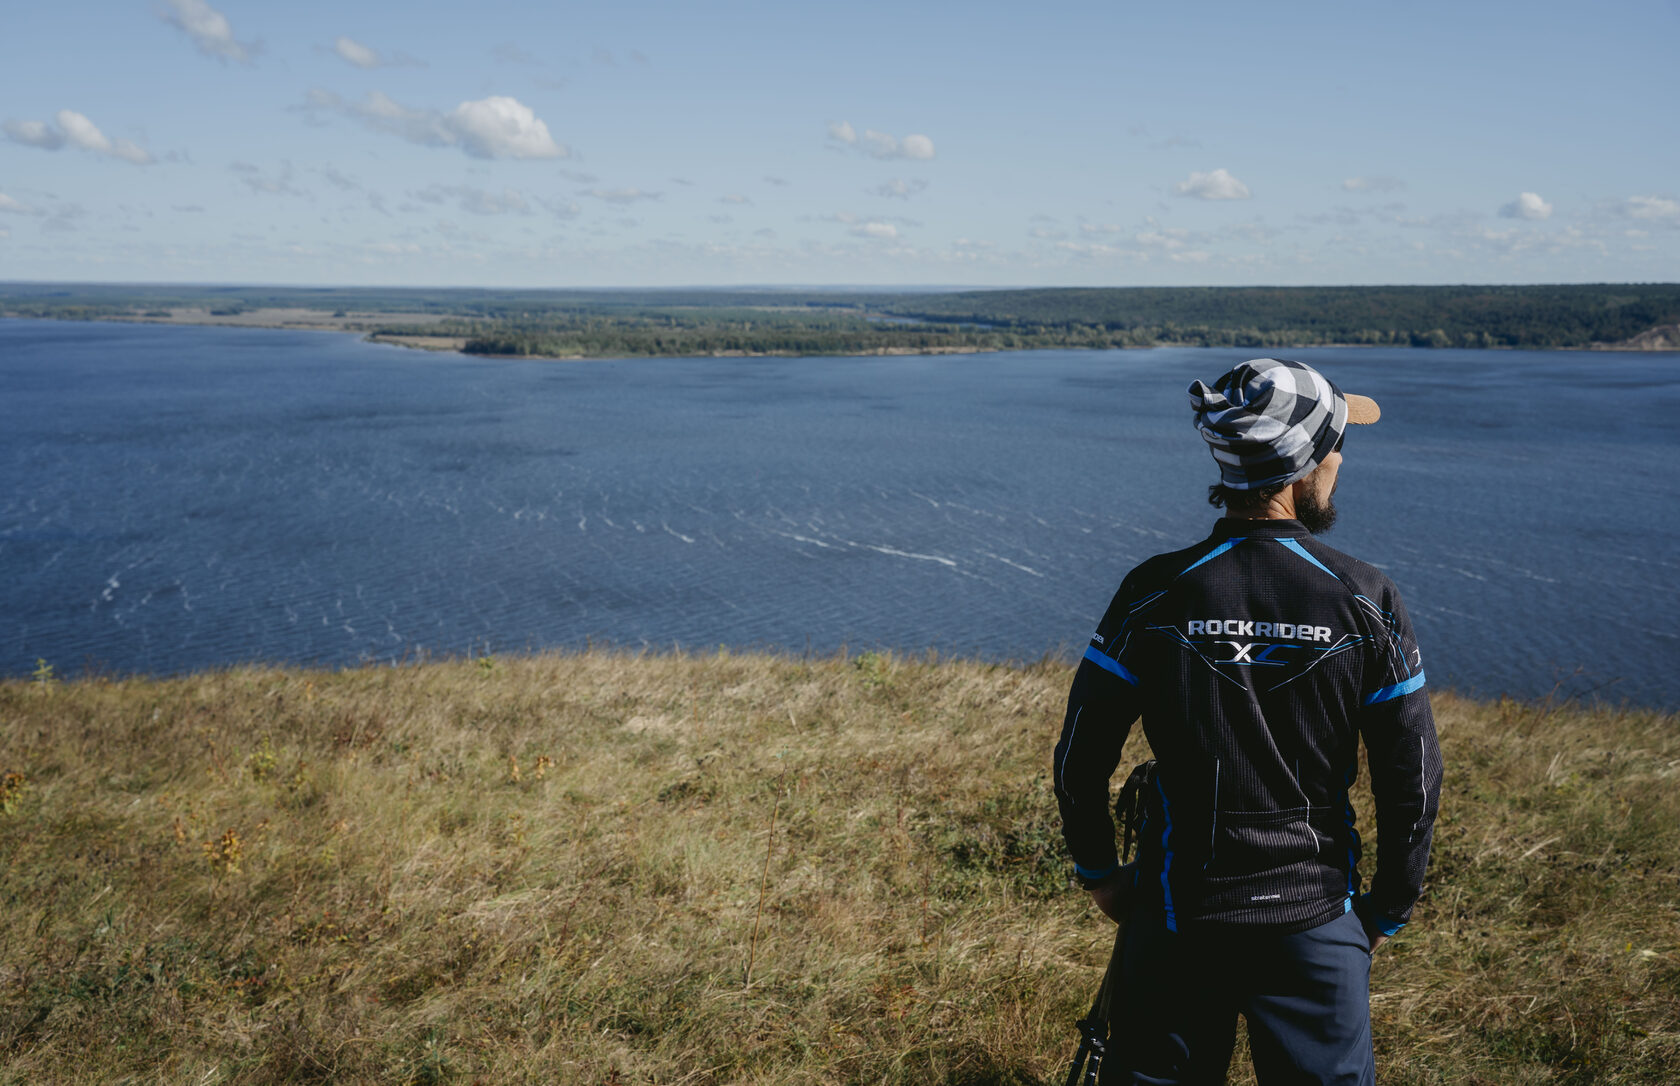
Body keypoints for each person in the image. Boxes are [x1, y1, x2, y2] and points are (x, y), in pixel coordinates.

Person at [1052, 358, 1442, 1085]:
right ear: (1306, 463)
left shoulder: (1154, 591)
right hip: (1316, 917)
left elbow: (1081, 752)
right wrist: (1387, 908)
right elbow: (1411, 777)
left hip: (1175, 913)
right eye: (1336, 445)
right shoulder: (1365, 598)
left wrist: (1100, 873)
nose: (1340, 462)